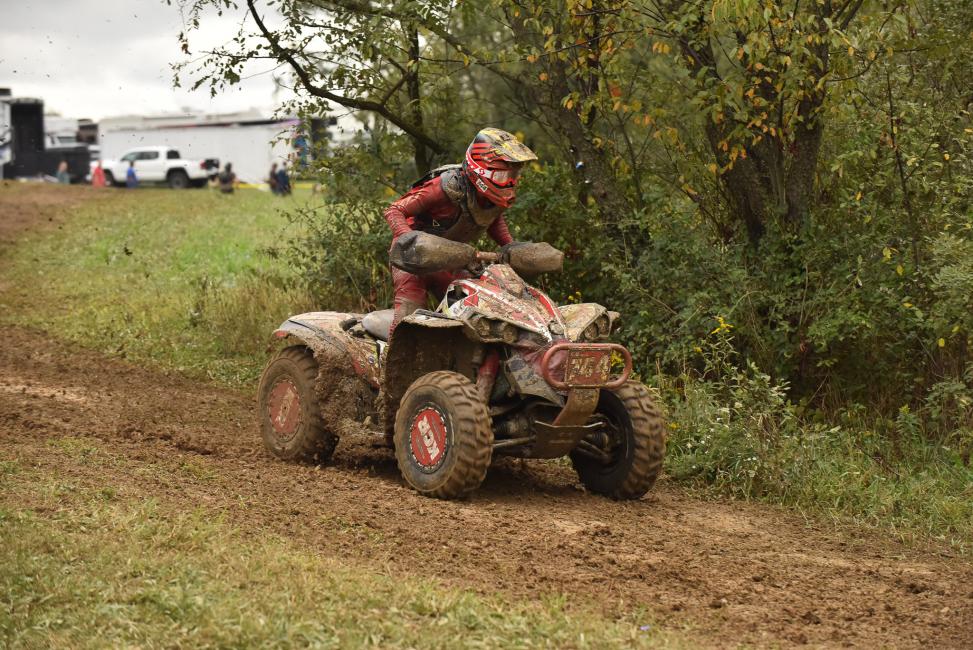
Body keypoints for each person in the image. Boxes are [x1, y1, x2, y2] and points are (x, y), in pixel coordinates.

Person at [383, 127, 537, 335]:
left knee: (477, 310)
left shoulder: (491, 198)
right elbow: (394, 210)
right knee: (408, 318)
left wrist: (510, 248)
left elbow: (493, 219)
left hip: (450, 258)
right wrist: (409, 239)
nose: (509, 182)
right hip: (412, 259)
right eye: (503, 176)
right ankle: (391, 354)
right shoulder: (445, 187)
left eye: (513, 176)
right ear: (481, 170)